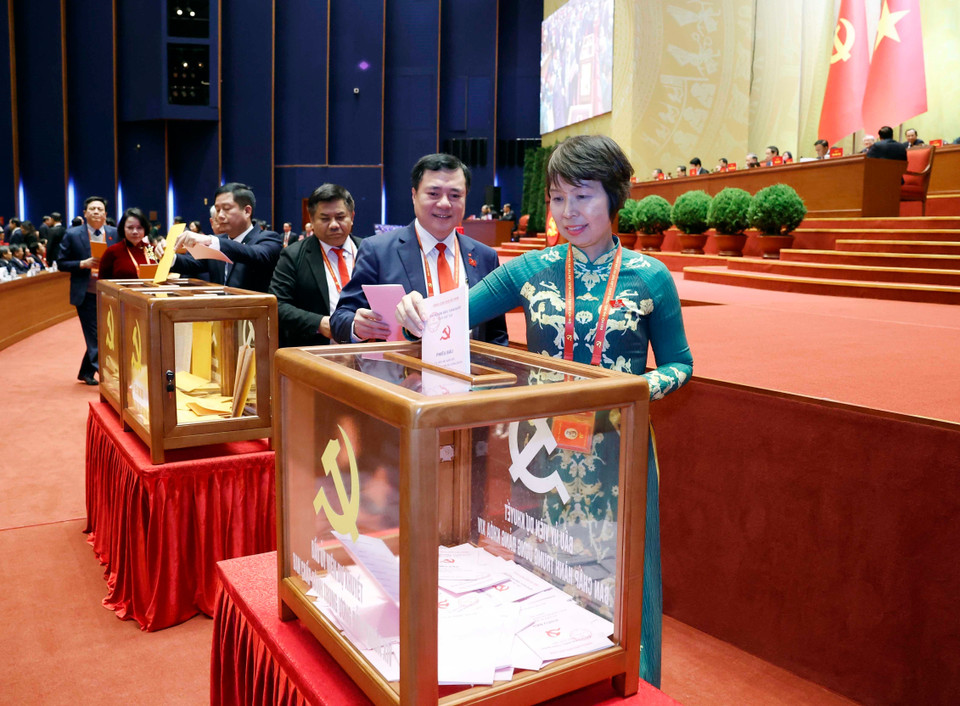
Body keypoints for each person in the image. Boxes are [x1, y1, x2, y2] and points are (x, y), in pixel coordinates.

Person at [395, 134, 692, 689]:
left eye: (583, 196)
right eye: (558, 198)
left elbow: (680, 364)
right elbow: (450, 315)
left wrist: (633, 389)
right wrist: (417, 310)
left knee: (623, 568)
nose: (569, 213)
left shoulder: (650, 277)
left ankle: (629, 678)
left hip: (618, 447)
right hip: (544, 452)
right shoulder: (529, 271)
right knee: (549, 561)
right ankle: (557, 674)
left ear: (614, 197)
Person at [329, 152, 507, 345]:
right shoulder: (377, 251)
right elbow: (340, 319)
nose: (445, 203)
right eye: (433, 194)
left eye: (455, 195)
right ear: (414, 195)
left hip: (470, 371)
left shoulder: (485, 257)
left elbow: (496, 333)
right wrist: (357, 327)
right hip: (401, 372)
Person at [268, 184, 362, 347]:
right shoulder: (294, 255)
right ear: (311, 220)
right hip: (318, 352)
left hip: (369, 350)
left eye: (340, 217)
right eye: (325, 219)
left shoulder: (369, 250)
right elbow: (277, 306)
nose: (334, 224)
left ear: (352, 217)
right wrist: (320, 323)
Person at [162, 182, 282, 292]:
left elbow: (254, 254)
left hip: (252, 312)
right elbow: (193, 264)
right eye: (218, 210)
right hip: (219, 310)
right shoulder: (220, 240)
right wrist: (168, 257)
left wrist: (211, 240)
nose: (220, 216)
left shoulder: (269, 239)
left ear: (247, 211)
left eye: (226, 209)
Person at [57, 196, 120, 385]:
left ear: (105, 214)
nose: (96, 212)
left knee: (103, 332)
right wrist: (82, 264)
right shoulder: (73, 234)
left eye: (100, 209)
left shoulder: (115, 233)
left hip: (108, 292)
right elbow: (61, 263)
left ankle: (85, 371)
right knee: (95, 335)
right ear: (85, 213)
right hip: (85, 293)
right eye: (92, 208)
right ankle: (107, 374)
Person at [97, 208, 158, 280]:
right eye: (130, 228)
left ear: (145, 229)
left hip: (150, 290)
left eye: (139, 228)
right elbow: (102, 282)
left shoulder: (151, 249)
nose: (135, 231)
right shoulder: (112, 251)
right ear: (123, 228)